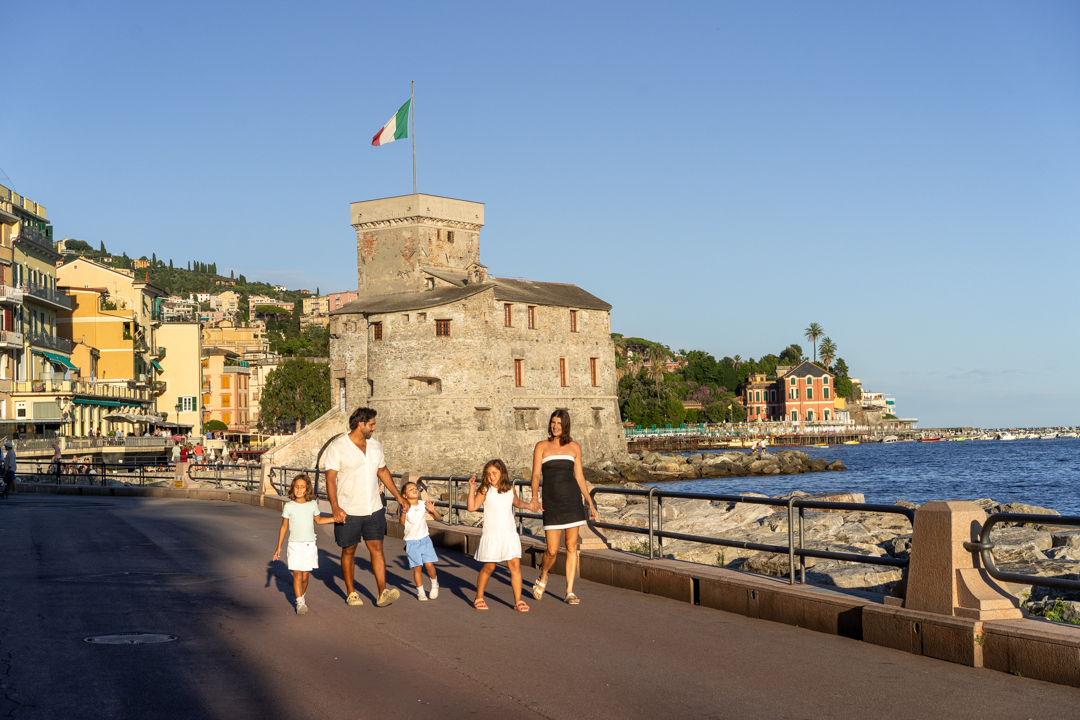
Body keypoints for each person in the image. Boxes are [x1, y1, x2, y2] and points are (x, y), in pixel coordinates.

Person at [324, 406, 408, 608]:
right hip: (349, 510)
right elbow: (330, 479)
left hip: (374, 508)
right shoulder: (337, 447)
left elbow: (383, 471)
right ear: (360, 424)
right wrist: (335, 507)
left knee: (377, 548)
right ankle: (351, 592)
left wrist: (398, 496)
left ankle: (382, 592)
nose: (374, 429)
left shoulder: (376, 446)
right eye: (371, 424)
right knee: (349, 550)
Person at [529, 409, 597, 605]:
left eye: (559, 423)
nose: (555, 426)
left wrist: (590, 502)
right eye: (552, 422)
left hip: (572, 501)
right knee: (551, 550)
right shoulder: (541, 446)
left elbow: (580, 477)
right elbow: (535, 475)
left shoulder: (574, 447)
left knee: (570, 546)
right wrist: (534, 497)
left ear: (565, 425)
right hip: (551, 502)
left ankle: (569, 591)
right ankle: (543, 575)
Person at [467, 459, 531, 612]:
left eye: (494, 473)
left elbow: (516, 503)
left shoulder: (510, 488)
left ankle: (518, 601)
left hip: (509, 534)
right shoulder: (484, 490)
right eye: (488, 474)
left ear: (502, 472)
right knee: (489, 568)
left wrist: (530, 505)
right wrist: (472, 488)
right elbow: (471, 507)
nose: (491, 476)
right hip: (492, 535)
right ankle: (479, 597)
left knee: (515, 567)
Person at [273, 475, 336, 615]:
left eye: (302, 487)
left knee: (305, 577)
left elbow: (319, 521)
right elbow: (284, 527)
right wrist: (278, 547)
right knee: (297, 574)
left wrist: (335, 518)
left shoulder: (312, 504)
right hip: (294, 545)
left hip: (309, 545)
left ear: (307, 489)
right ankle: (300, 601)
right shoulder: (289, 506)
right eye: (297, 486)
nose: (299, 489)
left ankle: (301, 595)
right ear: (293, 488)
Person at [399, 480, 441, 601]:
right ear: (405, 495)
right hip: (411, 542)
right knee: (417, 567)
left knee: (429, 565)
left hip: (425, 539)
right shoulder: (405, 507)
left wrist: (432, 510)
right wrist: (403, 513)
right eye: (410, 489)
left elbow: (438, 518)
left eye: (415, 488)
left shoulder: (423, 504)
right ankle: (420, 591)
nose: (414, 490)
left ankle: (434, 584)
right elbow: (401, 523)